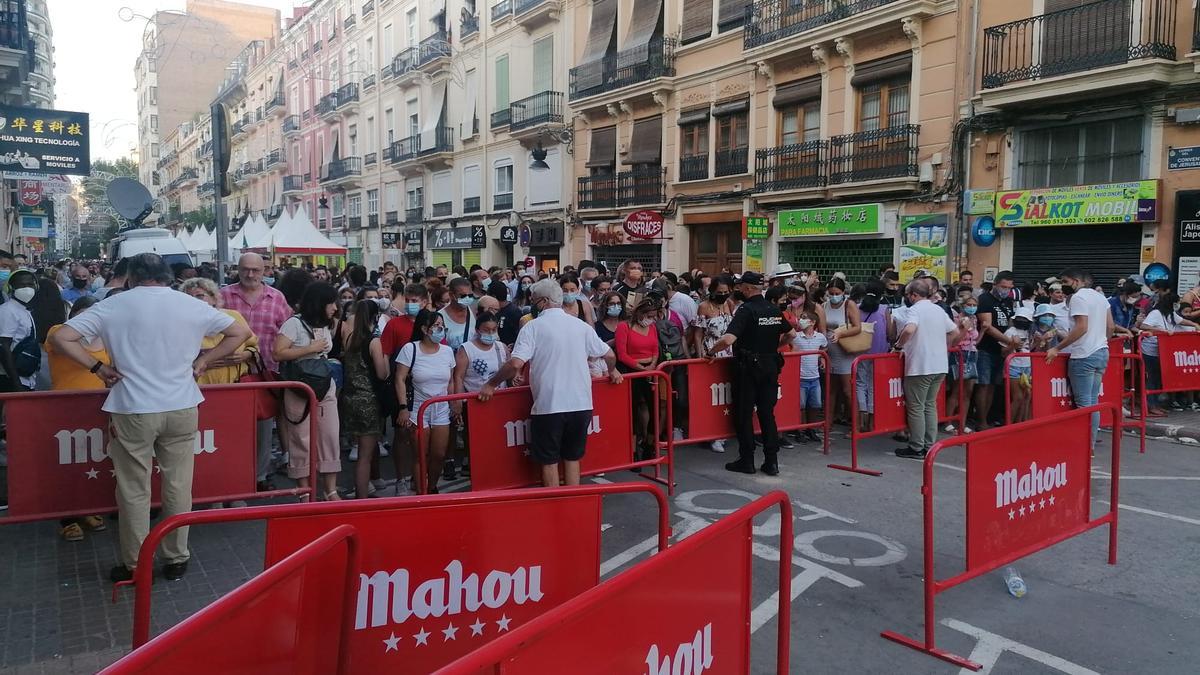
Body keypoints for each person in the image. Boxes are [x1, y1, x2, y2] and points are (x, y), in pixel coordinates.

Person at [50, 253, 250, 583]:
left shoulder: (113, 305)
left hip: (133, 405)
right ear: (166, 276)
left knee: (133, 489)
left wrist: (98, 368)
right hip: (182, 403)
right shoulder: (189, 304)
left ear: (131, 277)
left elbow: (61, 337)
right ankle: (176, 556)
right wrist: (203, 362)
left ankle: (134, 562)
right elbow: (238, 332)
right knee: (178, 485)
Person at [479, 280, 620, 487]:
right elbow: (608, 354)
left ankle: (554, 508)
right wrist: (612, 370)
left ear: (544, 301)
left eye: (534, 300)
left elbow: (516, 363)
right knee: (573, 458)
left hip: (550, 405)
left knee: (549, 461)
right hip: (581, 404)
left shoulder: (533, 327)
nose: (533, 304)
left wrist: (491, 384)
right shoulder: (580, 326)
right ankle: (573, 503)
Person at [704, 271, 793, 476]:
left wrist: (710, 352)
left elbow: (728, 340)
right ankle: (772, 462)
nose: (739, 290)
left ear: (747, 288)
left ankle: (747, 460)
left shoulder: (746, 310)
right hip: (771, 365)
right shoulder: (773, 309)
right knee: (766, 414)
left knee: (744, 415)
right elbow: (791, 334)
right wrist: (773, 348)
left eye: (741, 287)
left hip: (748, 368)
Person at [220, 253, 293, 492]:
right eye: (245, 269)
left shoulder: (277, 298)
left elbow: (287, 332)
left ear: (265, 271)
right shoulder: (223, 296)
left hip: (265, 373)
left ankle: (259, 476)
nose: (250, 274)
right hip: (229, 373)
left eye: (255, 270)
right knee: (230, 429)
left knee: (263, 428)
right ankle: (231, 475)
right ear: (237, 269)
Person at [45, 296, 110, 542]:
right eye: (83, 315)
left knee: (90, 462)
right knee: (66, 463)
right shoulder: (57, 333)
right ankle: (67, 518)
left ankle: (87, 510)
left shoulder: (105, 338)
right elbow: (59, 344)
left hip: (97, 407)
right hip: (64, 408)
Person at [274, 282, 343, 501]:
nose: (335, 308)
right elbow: (278, 353)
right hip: (299, 388)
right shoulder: (293, 324)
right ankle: (304, 492)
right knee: (301, 439)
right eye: (332, 303)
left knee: (330, 435)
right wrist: (309, 349)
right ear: (320, 303)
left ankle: (330, 489)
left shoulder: (325, 324)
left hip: (324, 385)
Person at [1047, 268, 1116, 448]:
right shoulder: (1101, 297)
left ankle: (1085, 446)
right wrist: (1102, 341)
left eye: (1065, 282)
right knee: (1093, 403)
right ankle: (1089, 444)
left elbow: (1081, 327)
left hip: (1083, 354)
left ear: (1076, 281)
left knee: (1084, 404)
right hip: (1101, 352)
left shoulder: (1078, 298)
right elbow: (1111, 326)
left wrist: (1056, 348)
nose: (1063, 286)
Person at [894, 279, 959, 459]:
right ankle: (930, 446)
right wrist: (941, 346)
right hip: (940, 365)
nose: (907, 298)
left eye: (908, 295)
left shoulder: (914, 310)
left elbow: (909, 330)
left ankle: (916, 447)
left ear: (914, 295)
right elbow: (954, 332)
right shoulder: (938, 309)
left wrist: (899, 346)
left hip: (920, 365)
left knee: (916, 407)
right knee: (930, 405)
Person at [395, 309, 457, 493]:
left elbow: (451, 380)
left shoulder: (447, 352)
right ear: (424, 329)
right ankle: (422, 492)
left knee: (438, 454)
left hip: (441, 409)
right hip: (417, 408)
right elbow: (399, 379)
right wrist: (403, 407)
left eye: (442, 326)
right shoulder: (410, 349)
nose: (440, 329)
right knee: (420, 455)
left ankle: (432, 487)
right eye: (436, 326)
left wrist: (454, 403)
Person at [340, 299, 391, 499]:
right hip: (369, 400)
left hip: (351, 398)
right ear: (375, 317)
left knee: (360, 448)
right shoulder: (374, 341)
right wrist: (386, 357)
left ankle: (363, 490)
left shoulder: (350, 337)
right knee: (365, 456)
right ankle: (362, 496)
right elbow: (381, 373)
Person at [180, 278, 258, 385]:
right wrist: (200, 362)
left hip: (237, 385)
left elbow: (254, 347)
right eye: (188, 297)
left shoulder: (233, 316)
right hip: (199, 388)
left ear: (214, 298)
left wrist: (246, 355)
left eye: (199, 296)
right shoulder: (180, 323)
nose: (193, 300)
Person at [1138, 292, 1198, 416]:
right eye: (1176, 303)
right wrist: (1161, 331)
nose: (1178, 305)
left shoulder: (1171, 314)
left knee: (1160, 378)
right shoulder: (1156, 313)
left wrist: (1194, 325)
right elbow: (1144, 325)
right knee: (1153, 378)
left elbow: (1181, 321)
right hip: (1150, 350)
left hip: (1162, 351)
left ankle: (1155, 404)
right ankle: (1150, 405)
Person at [616, 297, 660, 461]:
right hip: (632, 371)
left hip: (651, 370)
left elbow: (656, 348)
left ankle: (649, 445)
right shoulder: (624, 327)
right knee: (634, 411)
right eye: (649, 315)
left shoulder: (653, 327)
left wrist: (652, 366)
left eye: (654, 316)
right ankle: (633, 451)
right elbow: (622, 354)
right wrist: (642, 368)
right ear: (640, 313)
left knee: (654, 408)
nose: (652, 319)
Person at [973, 271, 1017, 430]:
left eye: (1009, 287)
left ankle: (988, 418)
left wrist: (1012, 341)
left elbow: (1011, 322)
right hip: (986, 348)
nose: (1006, 290)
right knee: (983, 385)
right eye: (1003, 286)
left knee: (993, 385)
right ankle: (981, 420)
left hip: (1003, 350)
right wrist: (1010, 341)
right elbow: (988, 326)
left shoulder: (1008, 301)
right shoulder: (985, 299)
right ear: (995, 285)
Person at [854, 280, 894, 433]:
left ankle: (860, 421)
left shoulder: (857, 308)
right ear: (882, 294)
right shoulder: (884, 309)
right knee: (873, 386)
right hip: (880, 354)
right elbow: (890, 333)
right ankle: (871, 422)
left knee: (860, 384)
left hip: (860, 352)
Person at [823, 278, 862, 427]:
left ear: (843, 292)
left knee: (847, 390)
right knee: (830, 389)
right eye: (831, 293)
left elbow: (857, 327)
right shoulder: (824, 305)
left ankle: (856, 425)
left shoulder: (848, 304)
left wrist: (840, 334)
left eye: (837, 293)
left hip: (845, 350)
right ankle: (828, 422)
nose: (834, 296)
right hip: (829, 350)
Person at [790, 309, 827, 443]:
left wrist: (822, 359)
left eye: (804, 318)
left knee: (815, 404)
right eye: (801, 317)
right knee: (801, 406)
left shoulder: (820, 337)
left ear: (812, 322)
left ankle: (811, 429)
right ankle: (800, 430)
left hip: (814, 378)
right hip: (801, 378)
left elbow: (824, 347)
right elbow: (791, 349)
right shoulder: (797, 337)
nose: (801, 320)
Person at [0, 271, 40, 392]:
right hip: (10, 379)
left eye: (30, 284)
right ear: (11, 288)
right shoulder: (7, 311)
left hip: (24, 377)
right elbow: (3, 346)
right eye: (22, 285)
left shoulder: (23, 310)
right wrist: (16, 382)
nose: (27, 289)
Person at [945, 294, 979, 433]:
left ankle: (962, 423)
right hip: (959, 354)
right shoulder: (956, 319)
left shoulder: (974, 319)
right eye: (968, 305)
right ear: (963, 306)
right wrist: (963, 328)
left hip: (972, 353)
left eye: (974, 305)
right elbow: (954, 341)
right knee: (956, 389)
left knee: (968, 391)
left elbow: (975, 338)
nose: (971, 308)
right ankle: (948, 421)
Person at [1003, 306, 1035, 424]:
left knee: (1026, 396)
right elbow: (1003, 352)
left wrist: (1037, 341)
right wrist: (1013, 346)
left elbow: (1028, 348)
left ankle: (1020, 423)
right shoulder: (1010, 332)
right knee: (1018, 397)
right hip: (1013, 366)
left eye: (1025, 319)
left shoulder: (1028, 332)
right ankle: (1009, 425)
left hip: (1027, 366)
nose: (1023, 321)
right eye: (1020, 318)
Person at [440, 277, 476, 350]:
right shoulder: (440, 317)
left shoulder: (475, 311)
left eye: (470, 295)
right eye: (463, 296)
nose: (467, 298)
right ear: (451, 295)